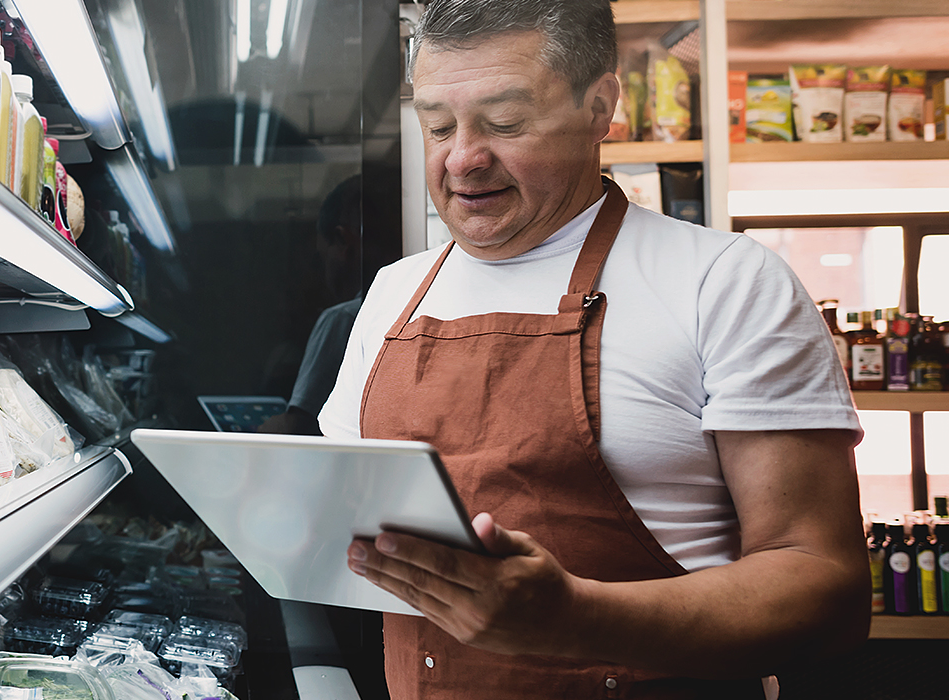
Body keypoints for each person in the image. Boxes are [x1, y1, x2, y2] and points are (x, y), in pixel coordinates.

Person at [316, 1, 869, 697]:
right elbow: (336, 529)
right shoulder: (394, 296)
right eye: (437, 125)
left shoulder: (725, 282)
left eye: (505, 122)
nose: (462, 157)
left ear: (599, 106)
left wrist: (576, 619)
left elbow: (826, 588)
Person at [262, 175, 364, 436]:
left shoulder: (343, 319)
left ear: (342, 242)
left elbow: (299, 427)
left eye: (322, 256)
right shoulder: (404, 306)